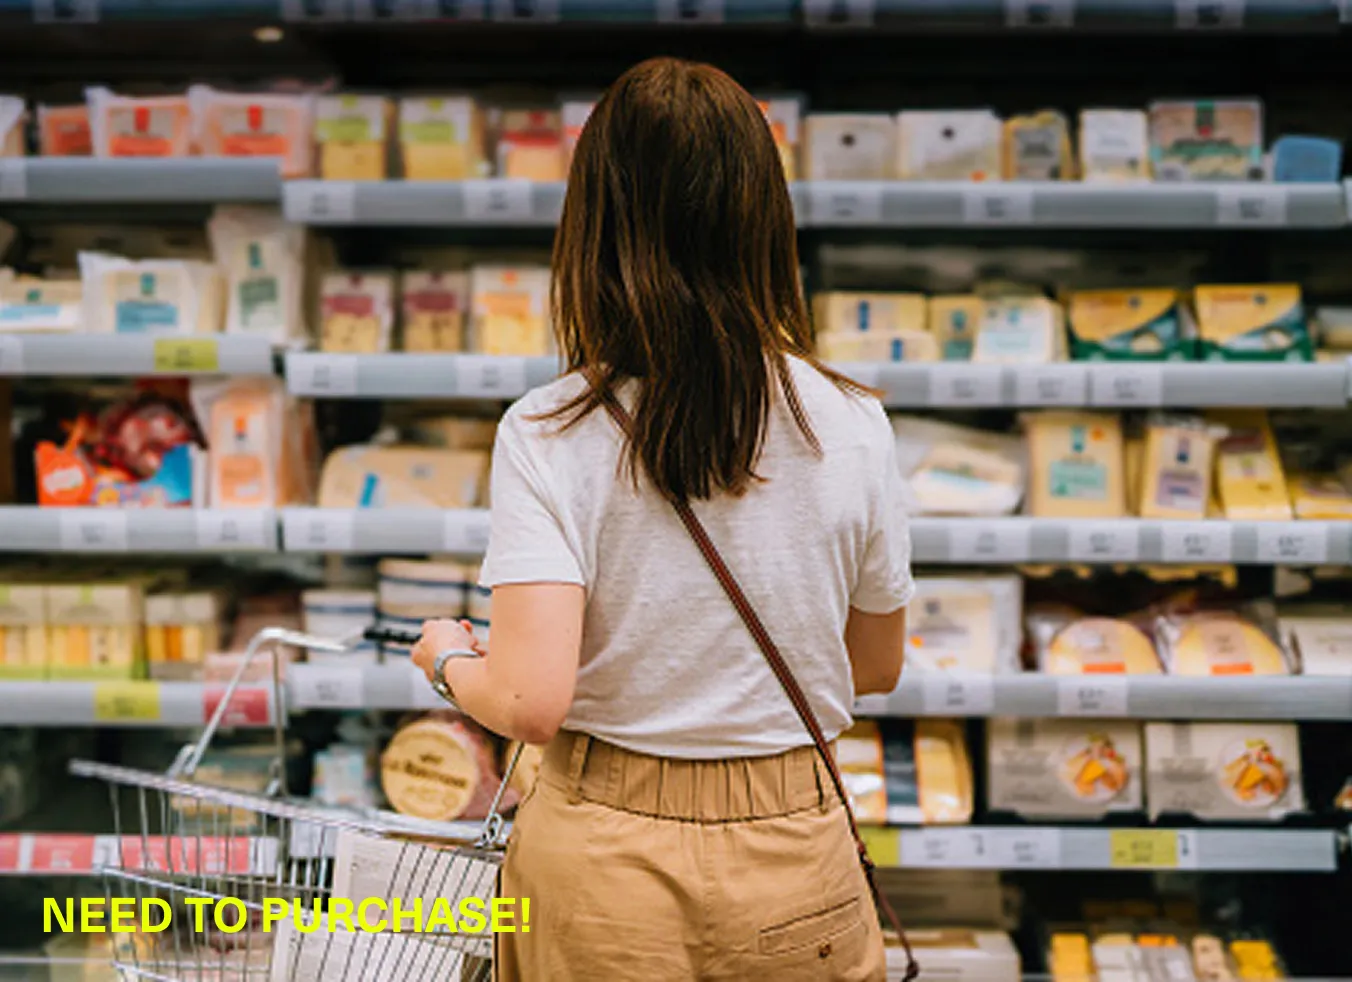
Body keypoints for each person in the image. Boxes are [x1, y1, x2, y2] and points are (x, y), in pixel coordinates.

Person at [411, 56, 914, 982]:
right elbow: (875, 665)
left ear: (596, 222)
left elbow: (528, 700)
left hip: (602, 863)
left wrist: (445, 654)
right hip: (792, 849)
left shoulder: (549, 429)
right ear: (765, 216)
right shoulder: (852, 422)